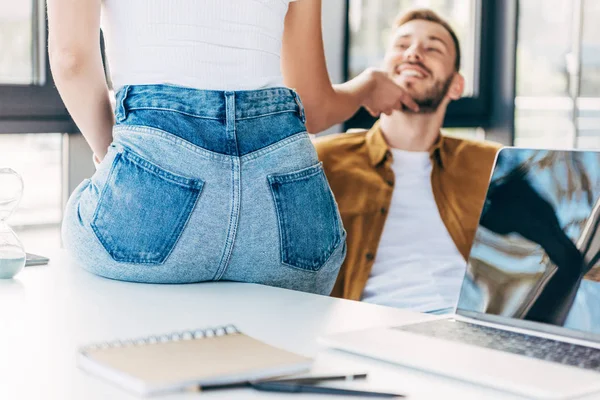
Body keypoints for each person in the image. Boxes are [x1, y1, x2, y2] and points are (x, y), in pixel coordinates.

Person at [48, 0, 418, 294]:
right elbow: (315, 106)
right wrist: (368, 86)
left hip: (151, 188)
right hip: (286, 192)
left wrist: (110, 154)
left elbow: (71, 58)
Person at [314, 9, 502, 312]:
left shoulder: (492, 164)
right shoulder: (323, 161)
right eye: (402, 45)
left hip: (476, 328)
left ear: (457, 85)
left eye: (433, 48)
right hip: (372, 327)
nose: (414, 52)